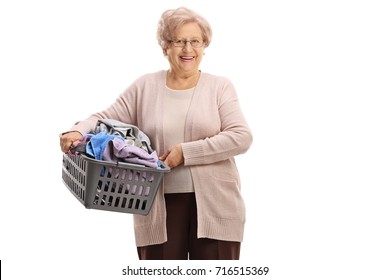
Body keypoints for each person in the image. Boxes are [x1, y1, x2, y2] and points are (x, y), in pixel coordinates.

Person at [59, 7, 252, 260]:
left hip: (216, 206)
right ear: (165, 47)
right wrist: (76, 130)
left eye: (196, 41)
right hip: (154, 205)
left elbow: (241, 136)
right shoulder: (145, 87)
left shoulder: (219, 87)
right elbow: (101, 119)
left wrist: (185, 152)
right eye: (179, 41)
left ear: (205, 46)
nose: (188, 49)